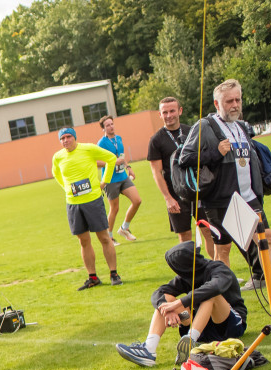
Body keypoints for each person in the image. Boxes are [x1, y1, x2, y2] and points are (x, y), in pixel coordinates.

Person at [178, 79, 271, 309]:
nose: (235, 105)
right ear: (217, 103)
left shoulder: (241, 126)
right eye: (230, 101)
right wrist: (215, 154)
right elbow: (185, 158)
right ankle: (228, 305)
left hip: (249, 198)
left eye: (238, 99)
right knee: (223, 250)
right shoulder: (205, 126)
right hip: (221, 201)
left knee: (266, 238)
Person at [116, 241, 247, 367]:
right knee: (165, 299)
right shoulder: (186, 277)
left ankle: (190, 341)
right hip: (202, 328)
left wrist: (179, 302)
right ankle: (149, 349)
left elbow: (216, 287)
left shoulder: (218, 269)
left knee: (210, 296)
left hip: (230, 325)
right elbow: (159, 292)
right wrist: (170, 309)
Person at [51, 126, 122, 290]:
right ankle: (93, 277)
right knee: (83, 241)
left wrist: (104, 181)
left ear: (74, 137)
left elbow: (111, 159)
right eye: (62, 138)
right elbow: (56, 174)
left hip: (93, 201)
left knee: (104, 237)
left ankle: (114, 273)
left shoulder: (88, 149)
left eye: (68, 137)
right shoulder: (58, 157)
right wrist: (66, 189)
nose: (65, 141)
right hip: (73, 204)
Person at [146, 96, 215, 256]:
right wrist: (168, 198)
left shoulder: (192, 131)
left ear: (180, 111)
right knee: (185, 237)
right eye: (165, 112)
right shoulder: (156, 140)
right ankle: (191, 277)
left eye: (172, 111)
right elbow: (156, 172)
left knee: (208, 231)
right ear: (160, 115)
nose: (169, 115)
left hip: (198, 191)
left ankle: (217, 271)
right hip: (176, 196)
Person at [98, 116, 142, 244]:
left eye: (112, 124)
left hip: (123, 176)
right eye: (108, 125)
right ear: (103, 129)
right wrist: (112, 162)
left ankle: (124, 228)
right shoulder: (101, 143)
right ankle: (109, 237)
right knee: (114, 208)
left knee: (137, 200)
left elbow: (121, 157)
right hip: (110, 179)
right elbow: (97, 162)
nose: (111, 127)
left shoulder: (118, 138)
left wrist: (128, 167)